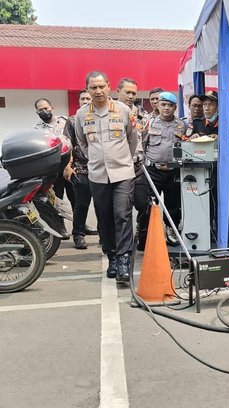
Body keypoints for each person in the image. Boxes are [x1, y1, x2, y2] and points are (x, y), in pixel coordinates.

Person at [75, 70, 137, 282]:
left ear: (109, 86)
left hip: (122, 173)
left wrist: (122, 160)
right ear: (87, 89)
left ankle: (124, 260)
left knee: (122, 214)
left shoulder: (123, 110)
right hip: (98, 175)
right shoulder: (82, 114)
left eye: (102, 86)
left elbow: (132, 140)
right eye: (93, 87)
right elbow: (82, 143)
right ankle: (111, 257)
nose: (98, 91)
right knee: (104, 218)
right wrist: (96, 158)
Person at [191, 90, 229, 246]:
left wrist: (221, 139)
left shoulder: (227, 123)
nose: (206, 108)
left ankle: (227, 242)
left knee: (226, 207)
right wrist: (192, 139)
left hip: (222, 171)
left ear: (219, 107)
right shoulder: (197, 123)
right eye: (204, 104)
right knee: (205, 206)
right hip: (202, 171)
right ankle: (206, 240)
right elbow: (185, 143)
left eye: (210, 104)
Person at [144, 91, 187, 245]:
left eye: (170, 105)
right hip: (153, 171)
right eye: (163, 105)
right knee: (149, 204)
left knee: (174, 205)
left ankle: (171, 231)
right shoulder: (149, 123)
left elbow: (187, 144)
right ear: (158, 105)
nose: (166, 108)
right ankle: (148, 235)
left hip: (173, 171)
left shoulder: (182, 125)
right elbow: (142, 145)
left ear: (175, 107)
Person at [116, 77, 150, 251]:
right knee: (122, 209)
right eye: (127, 92)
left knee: (144, 204)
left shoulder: (143, 116)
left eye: (134, 93)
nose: (130, 96)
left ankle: (142, 234)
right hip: (118, 169)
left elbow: (145, 141)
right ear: (117, 92)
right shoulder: (111, 114)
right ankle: (123, 244)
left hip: (138, 167)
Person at [63, 90, 99, 249]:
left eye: (88, 98)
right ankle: (78, 235)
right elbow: (67, 144)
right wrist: (67, 166)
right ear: (78, 101)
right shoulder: (72, 120)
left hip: (100, 169)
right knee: (81, 204)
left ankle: (104, 236)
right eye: (82, 98)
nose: (85, 100)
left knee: (101, 205)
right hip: (80, 169)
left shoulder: (99, 118)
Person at [34, 97, 72, 238]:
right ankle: (60, 227)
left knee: (77, 198)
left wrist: (69, 164)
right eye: (40, 110)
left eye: (46, 108)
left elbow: (72, 141)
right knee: (56, 199)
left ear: (52, 108)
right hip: (53, 169)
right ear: (37, 112)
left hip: (69, 165)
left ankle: (81, 226)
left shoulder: (65, 121)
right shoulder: (37, 129)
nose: (44, 111)